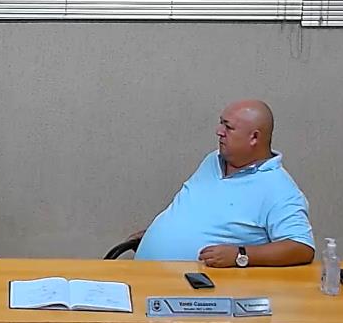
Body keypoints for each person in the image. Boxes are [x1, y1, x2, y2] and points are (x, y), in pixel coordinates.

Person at [134, 100, 315, 268]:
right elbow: (197, 213)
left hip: (191, 286)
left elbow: (301, 247)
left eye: (228, 127)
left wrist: (241, 255)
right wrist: (158, 233)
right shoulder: (213, 160)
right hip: (143, 273)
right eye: (221, 123)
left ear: (254, 137)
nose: (219, 131)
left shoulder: (279, 188)